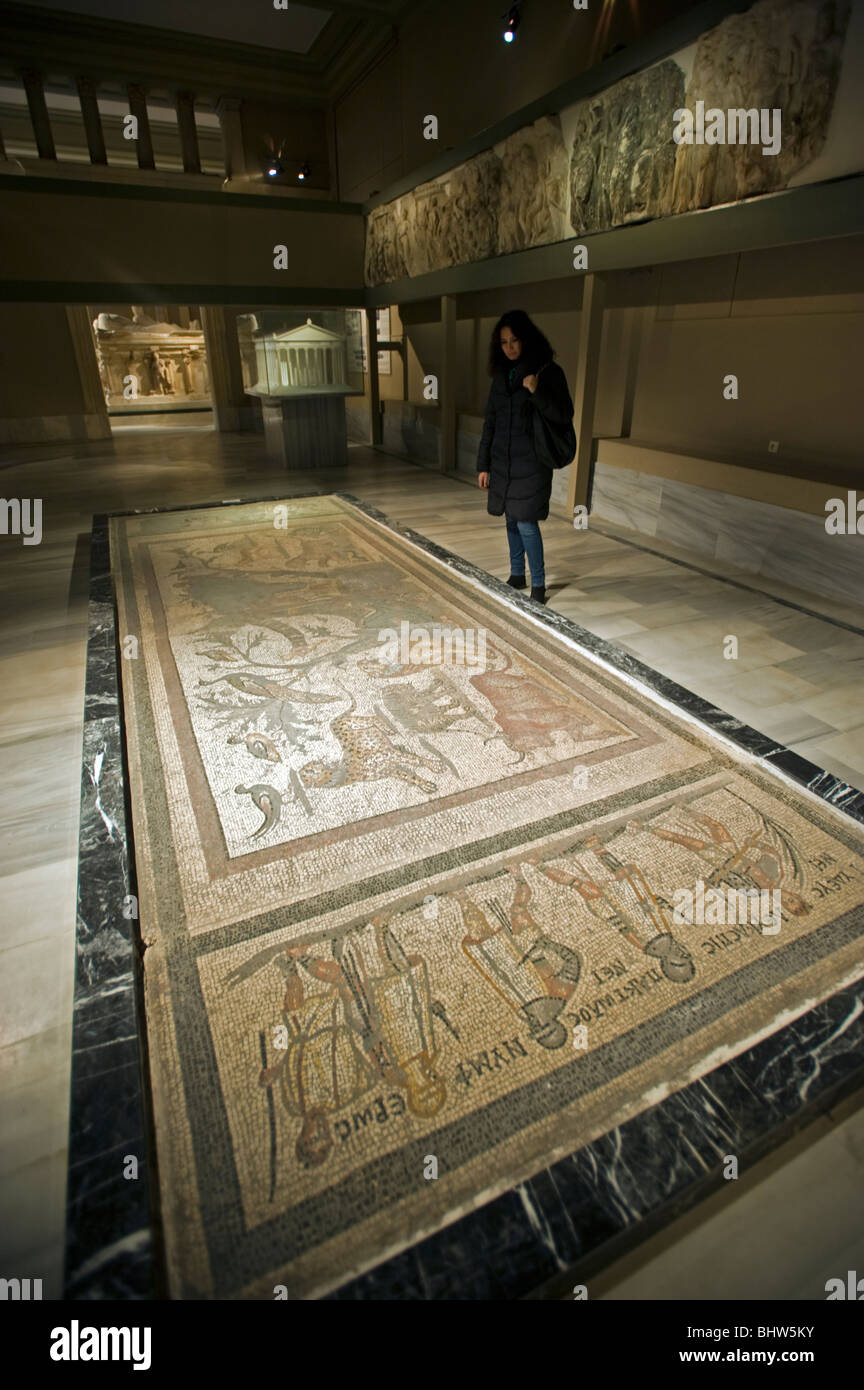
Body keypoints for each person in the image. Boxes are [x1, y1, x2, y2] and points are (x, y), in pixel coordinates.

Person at [477, 310, 574, 605]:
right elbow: (490, 422)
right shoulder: (500, 378)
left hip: (532, 462)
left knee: (526, 522)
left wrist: (536, 391)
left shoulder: (547, 371)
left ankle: (539, 585)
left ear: (526, 339)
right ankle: (517, 574)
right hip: (504, 461)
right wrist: (483, 464)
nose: (510, 347)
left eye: (515, 340)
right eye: (504, 342)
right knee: (510, 519)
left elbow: (563, 414)